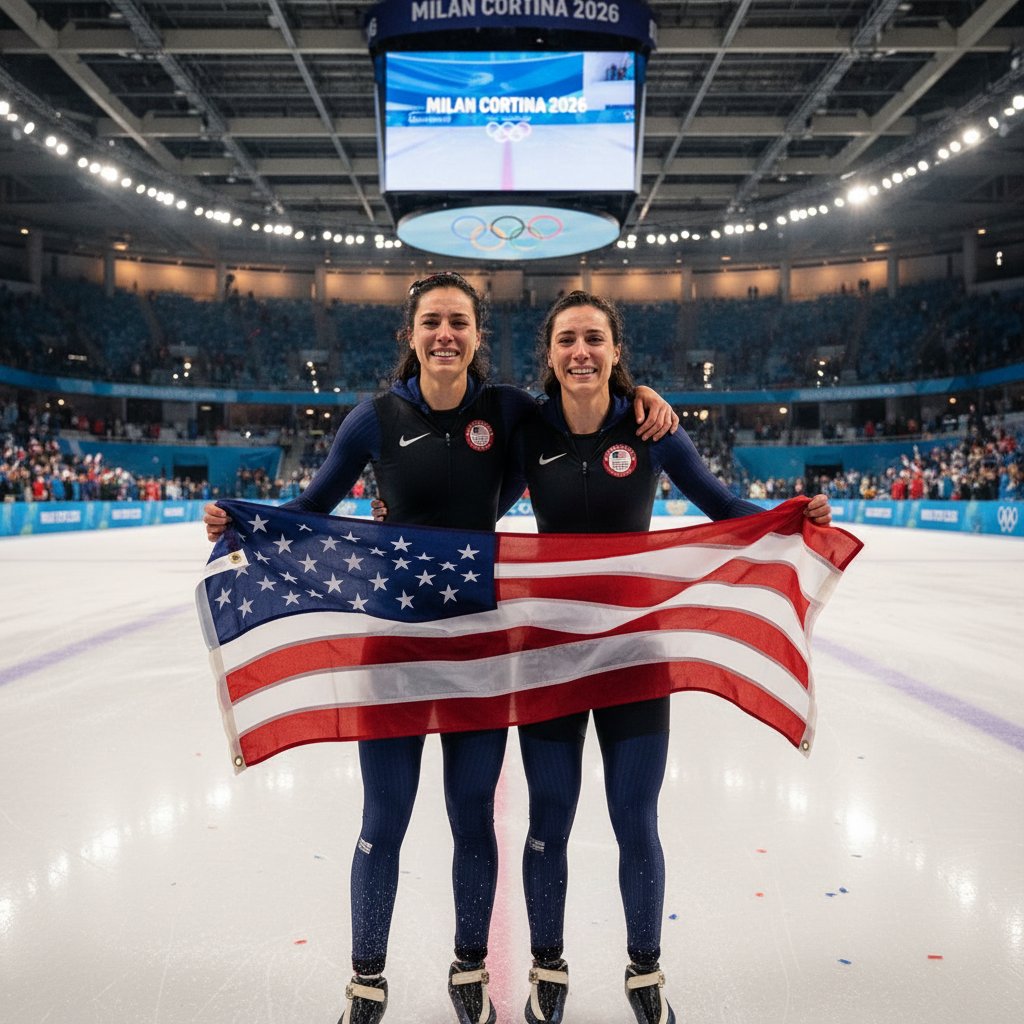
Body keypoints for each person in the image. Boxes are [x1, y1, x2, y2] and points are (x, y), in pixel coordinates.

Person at [202, 272, 678, 1024]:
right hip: (391, 651)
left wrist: (643, 394)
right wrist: (241, 519)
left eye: (459, 321)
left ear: (479, 334)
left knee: (471, 820)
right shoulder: (373, 420)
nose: (446, 334)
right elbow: (310, 509)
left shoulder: (511, 414)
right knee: (382, 822)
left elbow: (583, 413)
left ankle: (470, 964)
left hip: (477, 658)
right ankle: (366, 981)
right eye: (432, 322)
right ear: (412, 333)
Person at [508, 290, 832, 1024]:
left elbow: (722, 507)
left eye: (595, 338)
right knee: (548, 820)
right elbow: (467, 508)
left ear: (617, 351)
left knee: (634, 820)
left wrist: (792, 517)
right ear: (550, 353)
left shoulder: (650, 427)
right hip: (550, 654)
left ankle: (645, 971)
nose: (581, 352)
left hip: (633, 654)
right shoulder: (526, 426)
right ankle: (547, 968)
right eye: (567, 340)